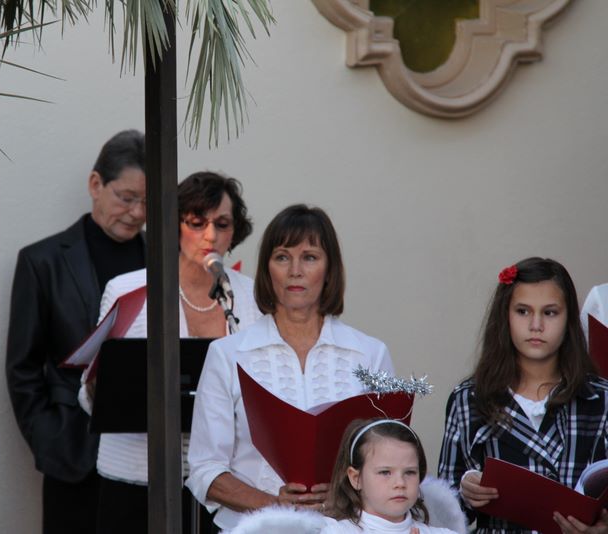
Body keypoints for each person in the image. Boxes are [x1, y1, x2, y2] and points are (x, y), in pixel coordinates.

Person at [187, 204, 395, 532]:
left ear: (330, 269)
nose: (295, 270)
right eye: (282, 257)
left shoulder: (369, 353)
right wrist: (273, 504)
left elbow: (391, 460)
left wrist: (347, 496)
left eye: (310, 257)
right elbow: (204, 469)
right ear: (267, 269)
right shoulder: (228, 355)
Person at [78, 171, 261, 533]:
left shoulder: (253, 298)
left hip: (224, 485)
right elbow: (90, 390)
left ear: (234, 231)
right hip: (135, 479)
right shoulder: (127, 290)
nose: (210, 236)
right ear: (174, 225)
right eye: (196, 222)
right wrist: (100, 386)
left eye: (222, 224)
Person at [5, 129, 146, 534]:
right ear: (95, 184)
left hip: (146, 455)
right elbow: (22, 367)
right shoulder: (42, 261)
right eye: (127, 198)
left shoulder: (167, 261)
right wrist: (48, 438)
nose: (137, 213)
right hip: (73, 454)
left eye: (148, 202)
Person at [437, 257, 608, 534]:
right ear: (505, 316)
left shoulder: (599, 399)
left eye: (550, 312)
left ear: (568, 319)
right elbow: (443, 514)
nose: (536, 325)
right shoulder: (470, 398)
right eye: (523, 311)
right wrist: (467, 492)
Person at [320, 418, 464, 534]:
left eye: (410, 472)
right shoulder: (335, 531)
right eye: (385, 472)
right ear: (356, 478)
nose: (400, 483)